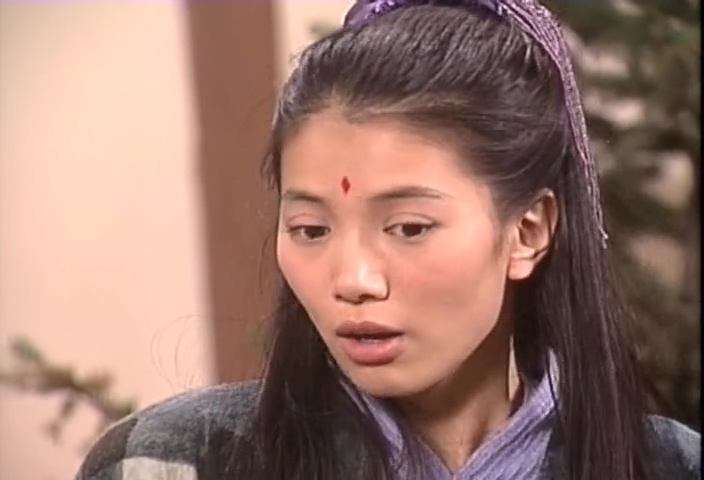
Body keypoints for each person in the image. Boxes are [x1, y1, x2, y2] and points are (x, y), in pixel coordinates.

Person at [75, 0, 701, 479]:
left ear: (527, 232)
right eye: (311, 230)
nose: (353, 280)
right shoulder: (167, 464)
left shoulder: (672, 467)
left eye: (409, 228)